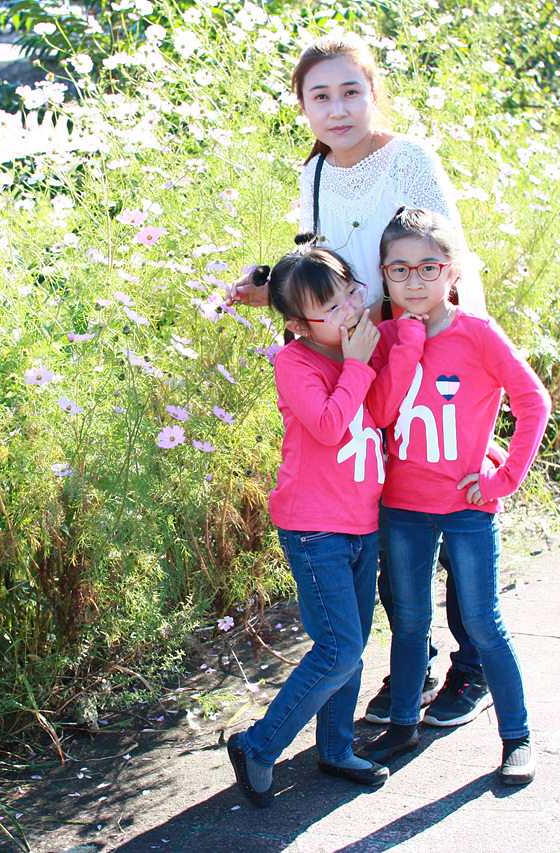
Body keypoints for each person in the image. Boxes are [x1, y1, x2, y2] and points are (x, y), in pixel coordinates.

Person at [227, 32, 494, 732]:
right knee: (389, 518)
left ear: (374, 93)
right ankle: (415, 662)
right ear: (303, 107)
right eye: (320, 96)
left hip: (433, 360)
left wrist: (470, 367)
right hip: (366, 367)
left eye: (351, 91)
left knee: (453, 514)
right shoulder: (315, 171)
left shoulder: (409, 160)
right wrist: (272, 287)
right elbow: (323, 267)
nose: (337, 109)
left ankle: (473, 668)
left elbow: (450, 261)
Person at [359, 208, 551, 785]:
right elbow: (380, 412)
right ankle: (402, 726)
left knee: (484, 623)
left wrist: (504, 478)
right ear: (384, 275)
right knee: (409, 621)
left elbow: (533, 402)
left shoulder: (479, 334)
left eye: (429, 267)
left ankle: (517, 736)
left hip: (469, 506)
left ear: (454, 271)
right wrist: (407, 342)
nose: (414, 281)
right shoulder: (386, 337)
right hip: (403, 506)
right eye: (399, 269)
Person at [227, 241, 420, 807]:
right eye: (331, 308)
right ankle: (257, 745)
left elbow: (381, 412)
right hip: (314, 528)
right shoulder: (296, 363)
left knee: (350, 646)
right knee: (338, 647)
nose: (350, 310)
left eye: (350, 295)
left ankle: (335, 748)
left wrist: (398, 343)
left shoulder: (360, 348)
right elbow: (331, 425)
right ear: (298, 325)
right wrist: (358, 364)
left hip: (360, 521)